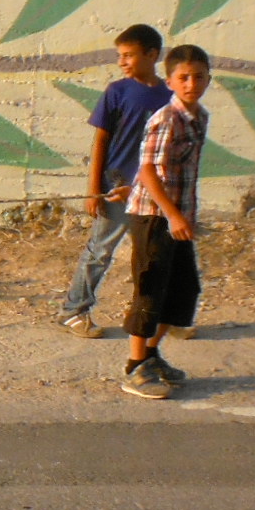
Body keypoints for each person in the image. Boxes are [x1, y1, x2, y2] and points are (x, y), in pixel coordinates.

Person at [57, 24, 170, 339]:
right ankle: (73, 311)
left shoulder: (170, 96)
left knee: (154, 252)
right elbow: (101, 141)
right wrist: (94, 190)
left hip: (153, 189)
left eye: (129, 55)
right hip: (116, 184)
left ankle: (154, 315)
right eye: (119, 56)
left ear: (152, 54)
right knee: (101, 250)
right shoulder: (117, 92)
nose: (122, 61)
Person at [120, 44, 211, 400]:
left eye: (199, 77)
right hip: (155, 218)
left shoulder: (200, 116)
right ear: (170, 82)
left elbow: (164, 168)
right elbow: (147, 168)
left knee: (184, 290)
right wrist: (172, 215)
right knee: (149, 290)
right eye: (183, 78)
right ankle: (134, 366)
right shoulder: (165, 118)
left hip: (179, 217)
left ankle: (151, 355)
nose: (191, 84)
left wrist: (180, 215)